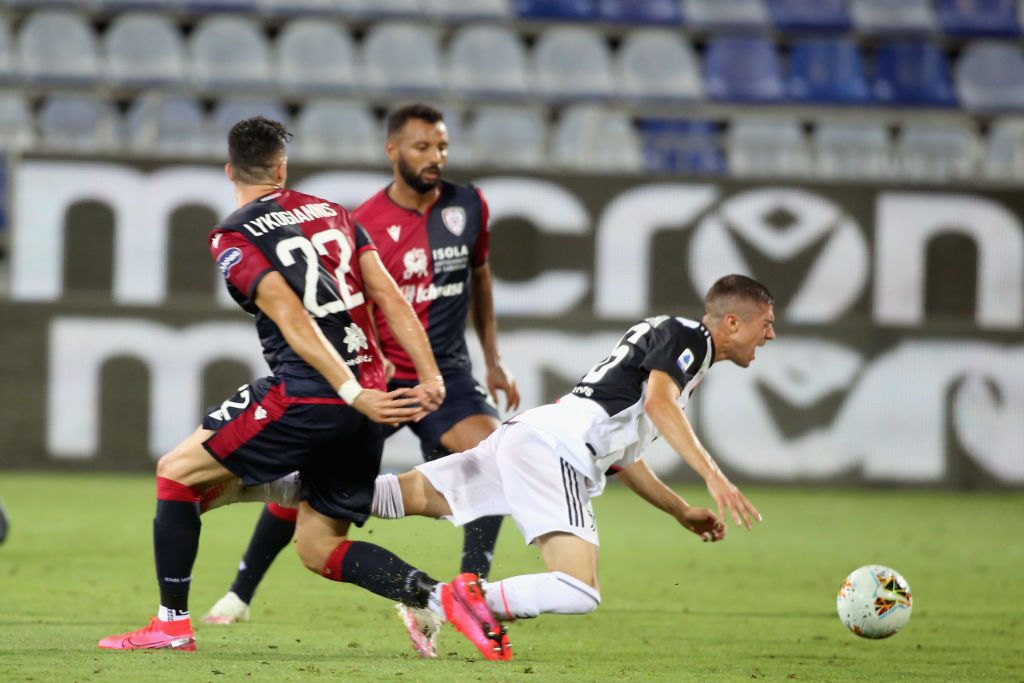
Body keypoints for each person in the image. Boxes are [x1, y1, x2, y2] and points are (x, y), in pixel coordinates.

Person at [97, 117, 510, 661]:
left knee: (176, 473)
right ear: (282, 168)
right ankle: (439, 595)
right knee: (318, 547)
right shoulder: (336, 214)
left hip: (313, 394)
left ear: (230, 171)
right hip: (370, 400)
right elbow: (390, 296)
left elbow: (291, 314)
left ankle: (171, 623)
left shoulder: (234, 235)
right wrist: (428, 373)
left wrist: (344, 388)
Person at [202, 103, 520, 642]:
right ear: (393, 150)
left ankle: (472, 591)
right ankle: (240, 591)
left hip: (443, 371)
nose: (435, 157)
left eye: (442, 146)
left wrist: (492, 358)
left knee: (492, 465)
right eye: (422, 147)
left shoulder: (470, 205)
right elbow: (358, 304)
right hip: (379, 373)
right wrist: (347, 380)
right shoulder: (364, 220)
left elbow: (481, 281)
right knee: (312, 485)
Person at [368, 274, 773, 650]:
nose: (770, 334)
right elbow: (660, 403)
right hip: (554, 451)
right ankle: (445, 600)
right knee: (578, 589)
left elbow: (625, 461)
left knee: (401, 497)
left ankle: (308, 484)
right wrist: (714, 476)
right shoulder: (689, 337)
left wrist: (680, 511)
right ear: (733, 323)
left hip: (531, 438)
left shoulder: (679, 355)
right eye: (766, 323)